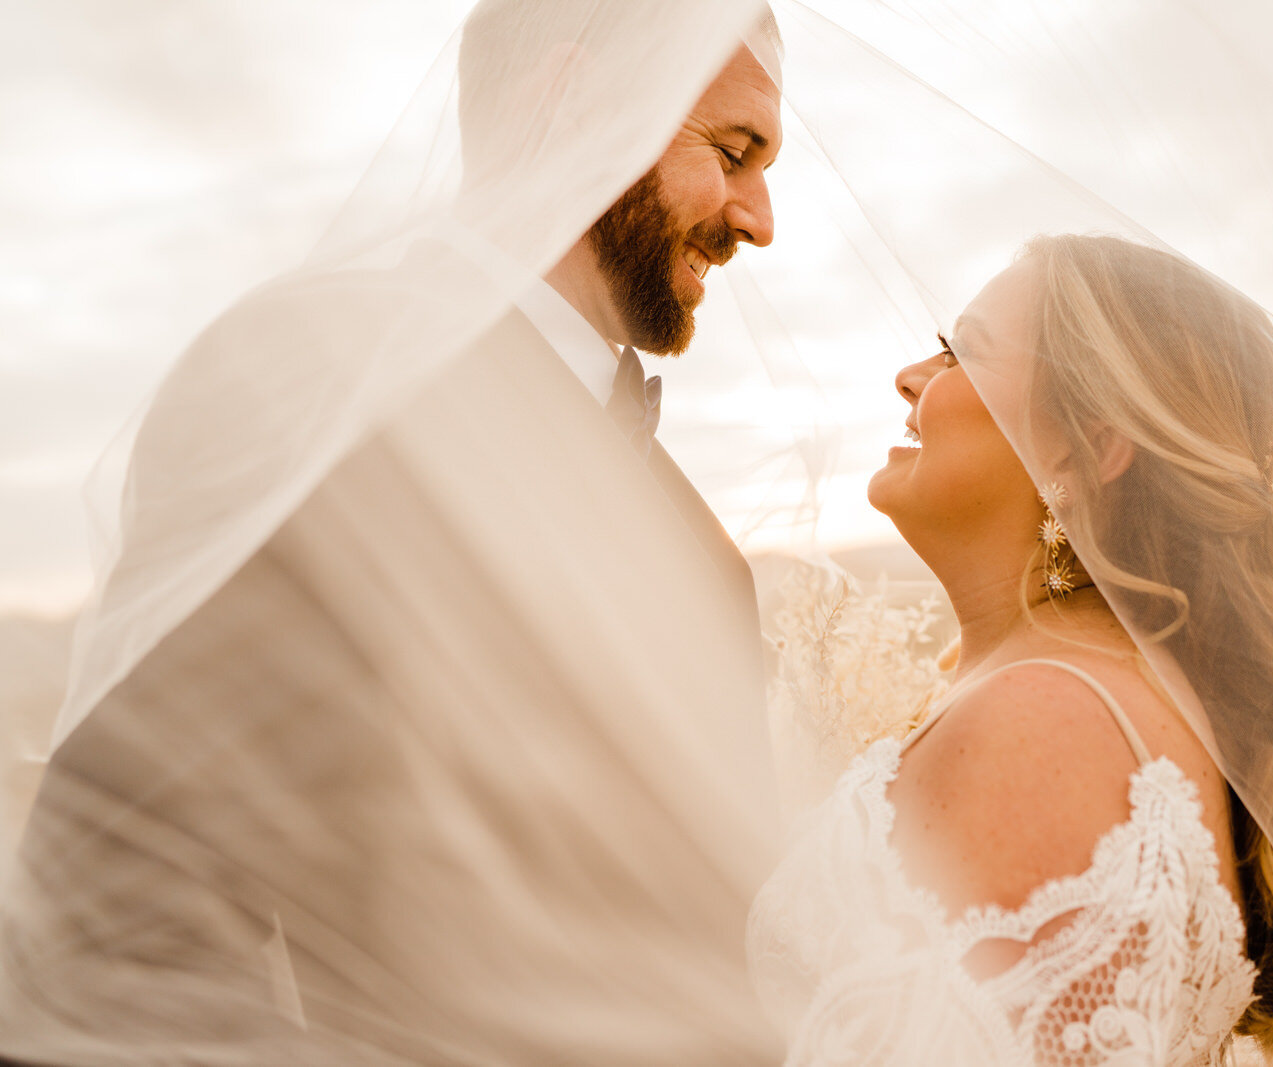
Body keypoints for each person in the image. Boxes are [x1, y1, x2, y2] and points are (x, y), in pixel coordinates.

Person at [0, 5, 786, 1064]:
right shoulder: (318, 381)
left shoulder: (703, 550)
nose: (762, 219)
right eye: (733, 153)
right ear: (571, 97)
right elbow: (119, 920)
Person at [748, 236, 1273, 1066]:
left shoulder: (1046, 719)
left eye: (962, 351)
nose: (910, 376)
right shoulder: (1055, 684)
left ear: (1089, 448)